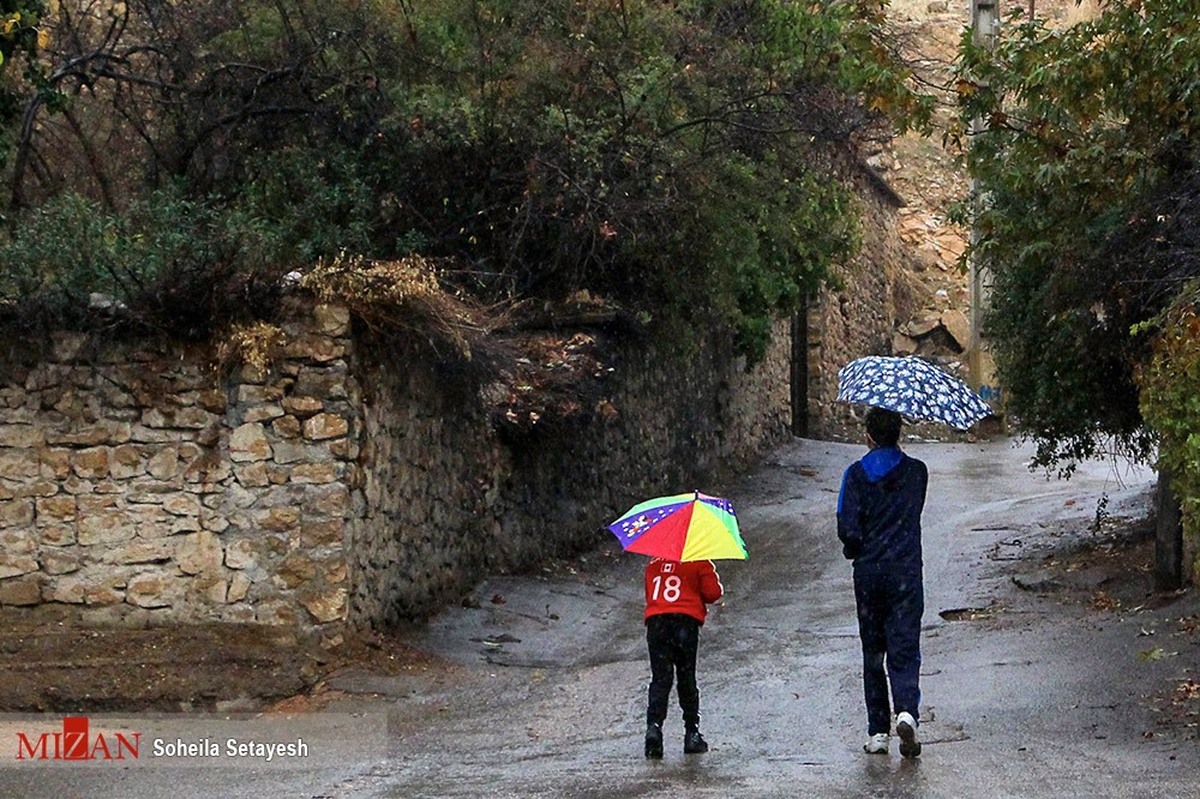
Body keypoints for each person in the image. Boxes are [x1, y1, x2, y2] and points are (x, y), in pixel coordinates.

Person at [836, 407, 928, 759]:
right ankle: (906, 711)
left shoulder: (855, 475)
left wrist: (854, 548)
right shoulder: (917, 472)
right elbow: (913, 510)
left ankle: (877, 731)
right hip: (906, 571)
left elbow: (848, 528)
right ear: (899, 434)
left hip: (870, 574)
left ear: (868, 436)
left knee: (873, 652)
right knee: (904, 645)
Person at [642, 556, 724, 758]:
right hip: (685, 623)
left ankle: (654, 727)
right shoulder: (699, 561)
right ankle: (692, 733)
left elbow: (651, 593)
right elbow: (713, 593)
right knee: (686, 677)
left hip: (657, 623)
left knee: (660, 679)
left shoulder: (654, 564)